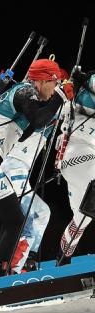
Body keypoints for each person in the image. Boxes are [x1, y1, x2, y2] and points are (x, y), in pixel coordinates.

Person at [0, 58, 67, 276]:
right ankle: (2, 272)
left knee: (14, 219)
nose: (55, 90)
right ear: (44, 80)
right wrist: (61, 98)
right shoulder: (23, 91)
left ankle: (2, 271)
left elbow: (37, 124)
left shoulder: (28, 95)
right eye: (54, 85)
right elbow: (37, 120)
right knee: (16, 219)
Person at [57, 66, 95, 264]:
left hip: (78, 161)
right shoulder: (92, 81)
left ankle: (63, 261)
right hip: (80, 154)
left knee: (82, 217)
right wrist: (83, 78)